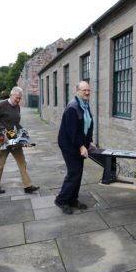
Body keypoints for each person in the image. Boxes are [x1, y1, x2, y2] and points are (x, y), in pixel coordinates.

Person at [0, 87, 40, 194]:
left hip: (13, 136)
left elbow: (16, 123)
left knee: (22, 161)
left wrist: (23, 133)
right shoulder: (1, 105)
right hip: (2, 138)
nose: (18, 100)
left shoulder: (17, 107)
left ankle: (27, 185)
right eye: (17, 98)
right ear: (11, 95)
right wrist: (2, 129)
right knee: (0, 162)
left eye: (20, 98)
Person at [55, 81, 96, 215]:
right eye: (84, 90)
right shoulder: (73, 107)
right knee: (73, 173)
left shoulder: (84, 105)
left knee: (78, 173)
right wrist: (80, 146)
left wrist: (89, 142)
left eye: (88, 90)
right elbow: (73, 131)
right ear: (77, 91)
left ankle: (72, 199)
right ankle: (61, 200)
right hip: (69, 145)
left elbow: (88, 125)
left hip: (78, 144)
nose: (87, 92)